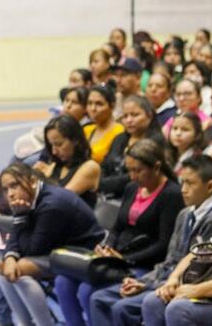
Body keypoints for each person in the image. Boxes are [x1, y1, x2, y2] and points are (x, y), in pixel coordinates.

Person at [54, 140, 184, 326]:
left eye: (138, 170)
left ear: (156, 167)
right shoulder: (132, 188)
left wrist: (125, 258)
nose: (132, 176)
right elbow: (117, 228)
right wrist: (108, 247)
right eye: (129, 170)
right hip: (118, 258)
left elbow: (163, 244)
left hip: (144, 264)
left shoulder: (171, 194)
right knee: (63, 282)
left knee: (86, 291)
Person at [89, 155, 212, 326]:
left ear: (210, 186)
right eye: (182, 182)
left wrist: (162, 285)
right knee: (97, 297)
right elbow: (183, 258)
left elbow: (201, 275)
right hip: (173, 280)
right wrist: (148, 282)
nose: (183, 189)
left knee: (141, 306)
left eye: (190, 183)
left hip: (203, 290)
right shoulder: (185, 214)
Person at [0, 163, 104, 326]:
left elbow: (32, 250)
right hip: (60, 250)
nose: (10, 194)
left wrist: (20, 217)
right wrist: (10, 256)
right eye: (6, 189)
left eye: (14, 185)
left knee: (21, 268)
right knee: (1, 261)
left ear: (32, 181)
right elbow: (21, 240)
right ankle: (25, 323)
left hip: (84, 255)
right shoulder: (29, 198)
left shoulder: (52, 205)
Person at [100, 95, 165, 198]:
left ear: (149, 115)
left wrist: (103, 184)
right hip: (107, 195)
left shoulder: (155, 142)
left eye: (135, 115)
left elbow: (137, 176)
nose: (129, 120)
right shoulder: (120, 138)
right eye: (125, 116)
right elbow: (105, 165)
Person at [33, 115, 101, 207]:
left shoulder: (90, 167)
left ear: (75, 140)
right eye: (51, 145)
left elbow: (61, 199)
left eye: (59, 144)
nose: (54, 151)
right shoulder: (54, 166)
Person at [83, 85, 125, 164]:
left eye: (99, 104)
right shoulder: (86, 129)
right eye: (89, 103)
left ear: (112, 106)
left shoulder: (120, 131)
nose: (93, 109)